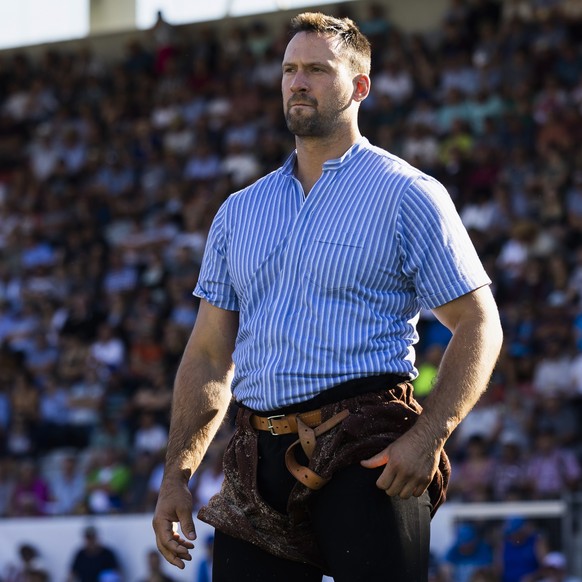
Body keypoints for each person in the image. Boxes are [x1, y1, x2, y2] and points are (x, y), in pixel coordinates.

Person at [152, 12, 503, 582]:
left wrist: (428, 437)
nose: (298, 82)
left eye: (317, 69)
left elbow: (479, 321)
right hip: (257, 456)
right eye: (290, 69)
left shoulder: (406, 193)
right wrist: (177, 475)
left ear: (359, 86)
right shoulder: (239, 211)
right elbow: (210, 355)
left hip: (370, 446)